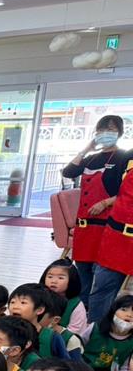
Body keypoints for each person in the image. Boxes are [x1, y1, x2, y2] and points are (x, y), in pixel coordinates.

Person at [62, 114, 129, 321]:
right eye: (101, 130)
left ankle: (98, 323)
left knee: (102, 280)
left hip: (107, 227)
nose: (105, 133)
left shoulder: (124, 157)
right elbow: (68, 172)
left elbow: (127, 192)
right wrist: (86, 148)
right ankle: (80, 319)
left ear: (120, 133)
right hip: (85, 227)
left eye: (111, 130)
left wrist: (106, 202)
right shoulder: (91, 158)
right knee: (82, 275)